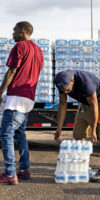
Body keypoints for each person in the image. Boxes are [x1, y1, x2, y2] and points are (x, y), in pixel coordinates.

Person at [0, 21, 43, 185]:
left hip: (16, 96)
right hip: (29, 97)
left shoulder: (19, 47)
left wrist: (0, 92)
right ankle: (24, 169)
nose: (12, 33)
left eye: (15, 30)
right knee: (20, 133)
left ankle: (10, 173)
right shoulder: (38, 50)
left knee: (6, 134)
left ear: (23, 31)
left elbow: (12, 71)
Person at [54, 70, 100, 182]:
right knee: (78, 133)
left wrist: (94, 130)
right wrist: (59, 128)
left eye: (67, 89)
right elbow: (62, 104)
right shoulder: (61, 84)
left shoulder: (85, 82)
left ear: (72, 81)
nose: (65, 92)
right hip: (85, 103)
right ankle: (83, 165)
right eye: (63, 90)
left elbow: (95, 105)